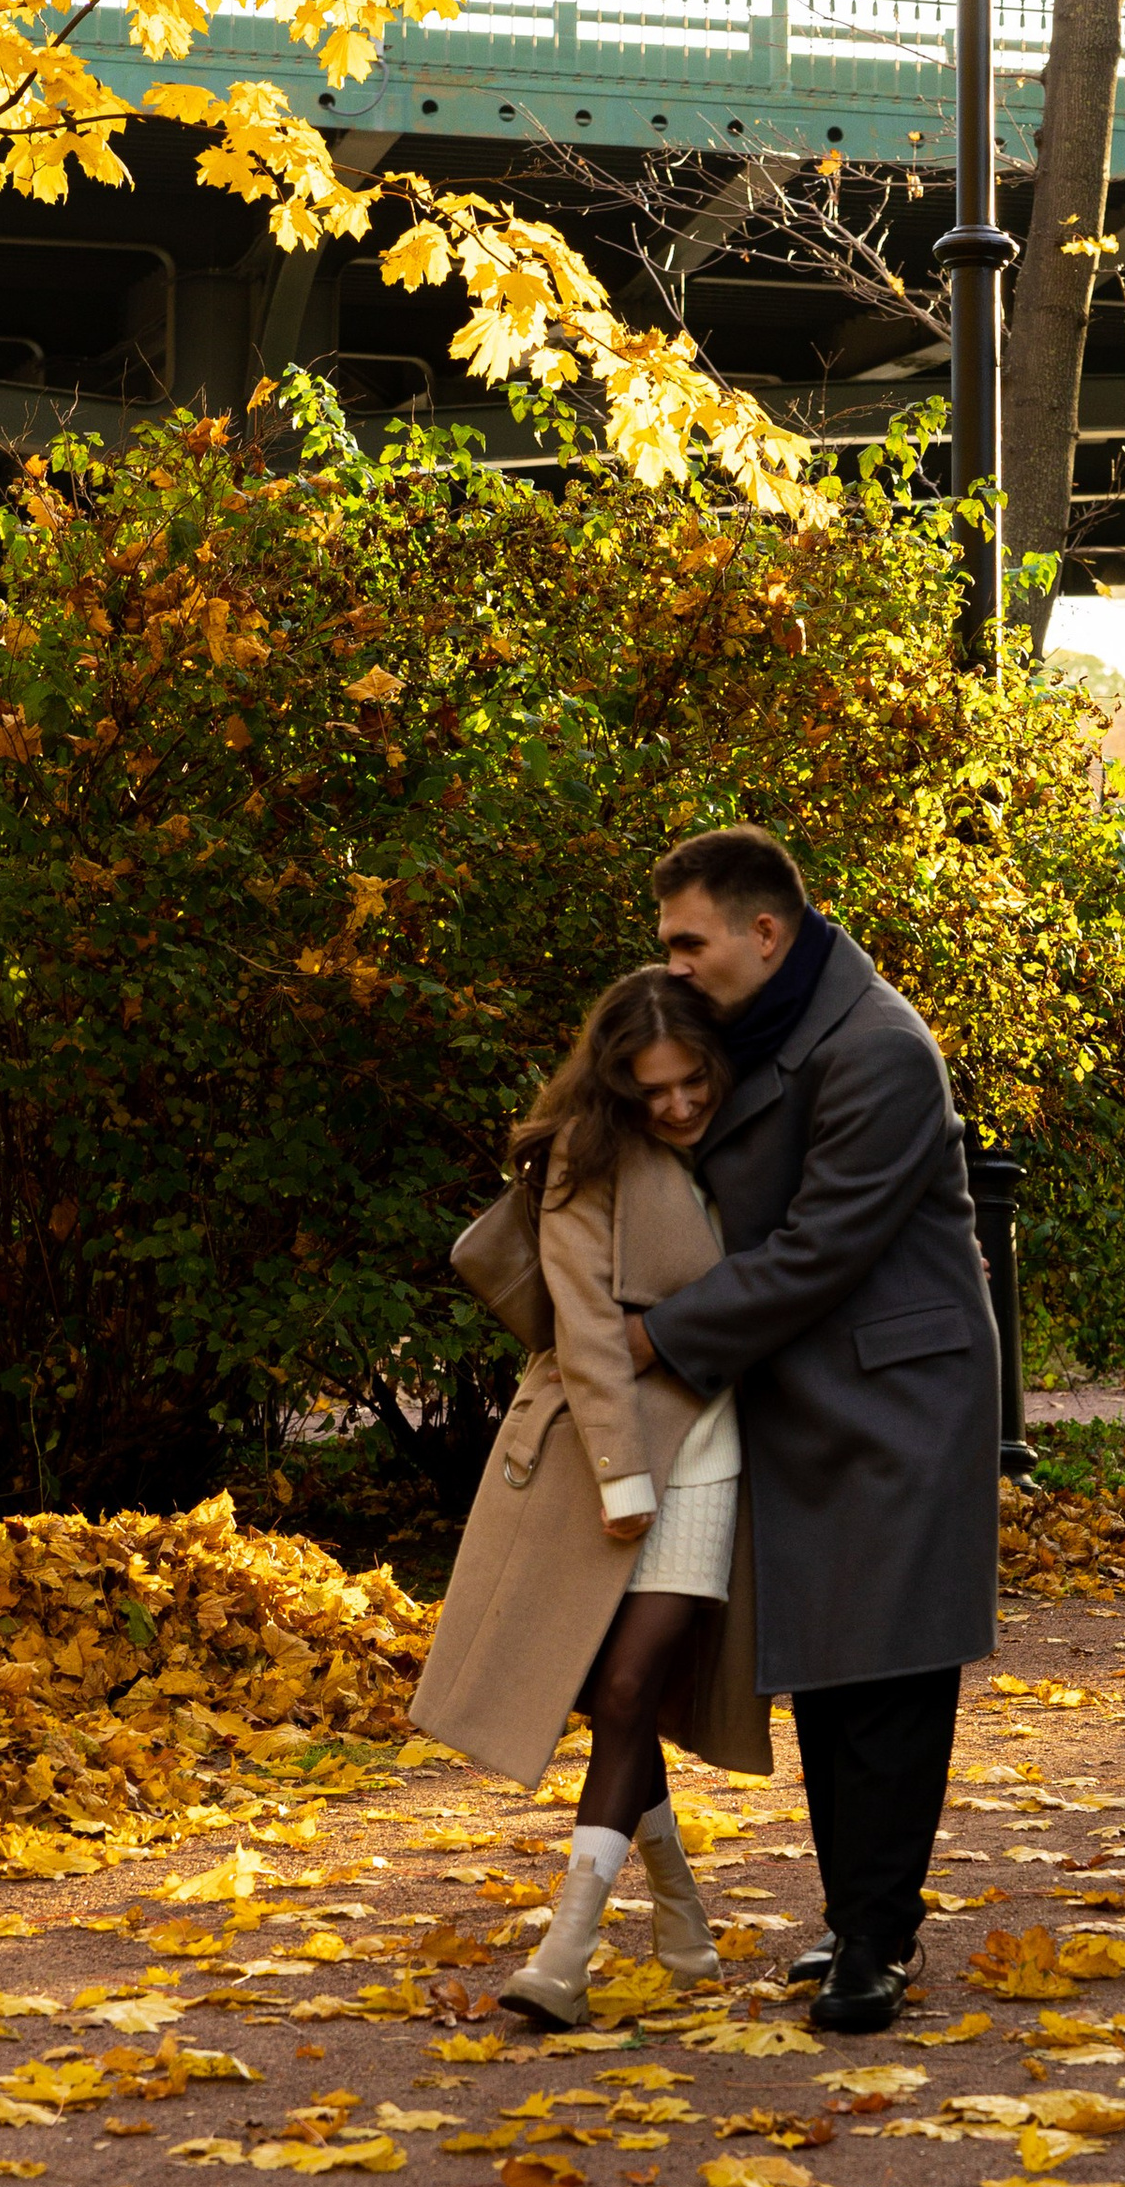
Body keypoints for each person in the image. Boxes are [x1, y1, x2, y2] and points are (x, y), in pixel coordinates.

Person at [629, 826, 999, 2035]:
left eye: (688, 941)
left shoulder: (878, 1046)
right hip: (812, 1385)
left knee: (889, 1666)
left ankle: (877, 1944)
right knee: (828, 1669)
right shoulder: (755, 1028)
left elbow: (822, 1246)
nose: (673, 964)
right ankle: (854, 1920)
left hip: (899, 1394)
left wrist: (659, 1336)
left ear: (762, 933)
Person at [408, 966, 770, 2026]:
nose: (678, 1105)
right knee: (590, 1691)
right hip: (592, 1453)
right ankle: (681, 1917)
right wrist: (618, 1474)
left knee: (625, 1691)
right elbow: (584, 1328)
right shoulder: (585, 1156)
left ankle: (565, 1949)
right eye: (653, 1090)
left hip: (713, 1452)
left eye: (691, 1080)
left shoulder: (757, 1138)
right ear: (615, 1086)